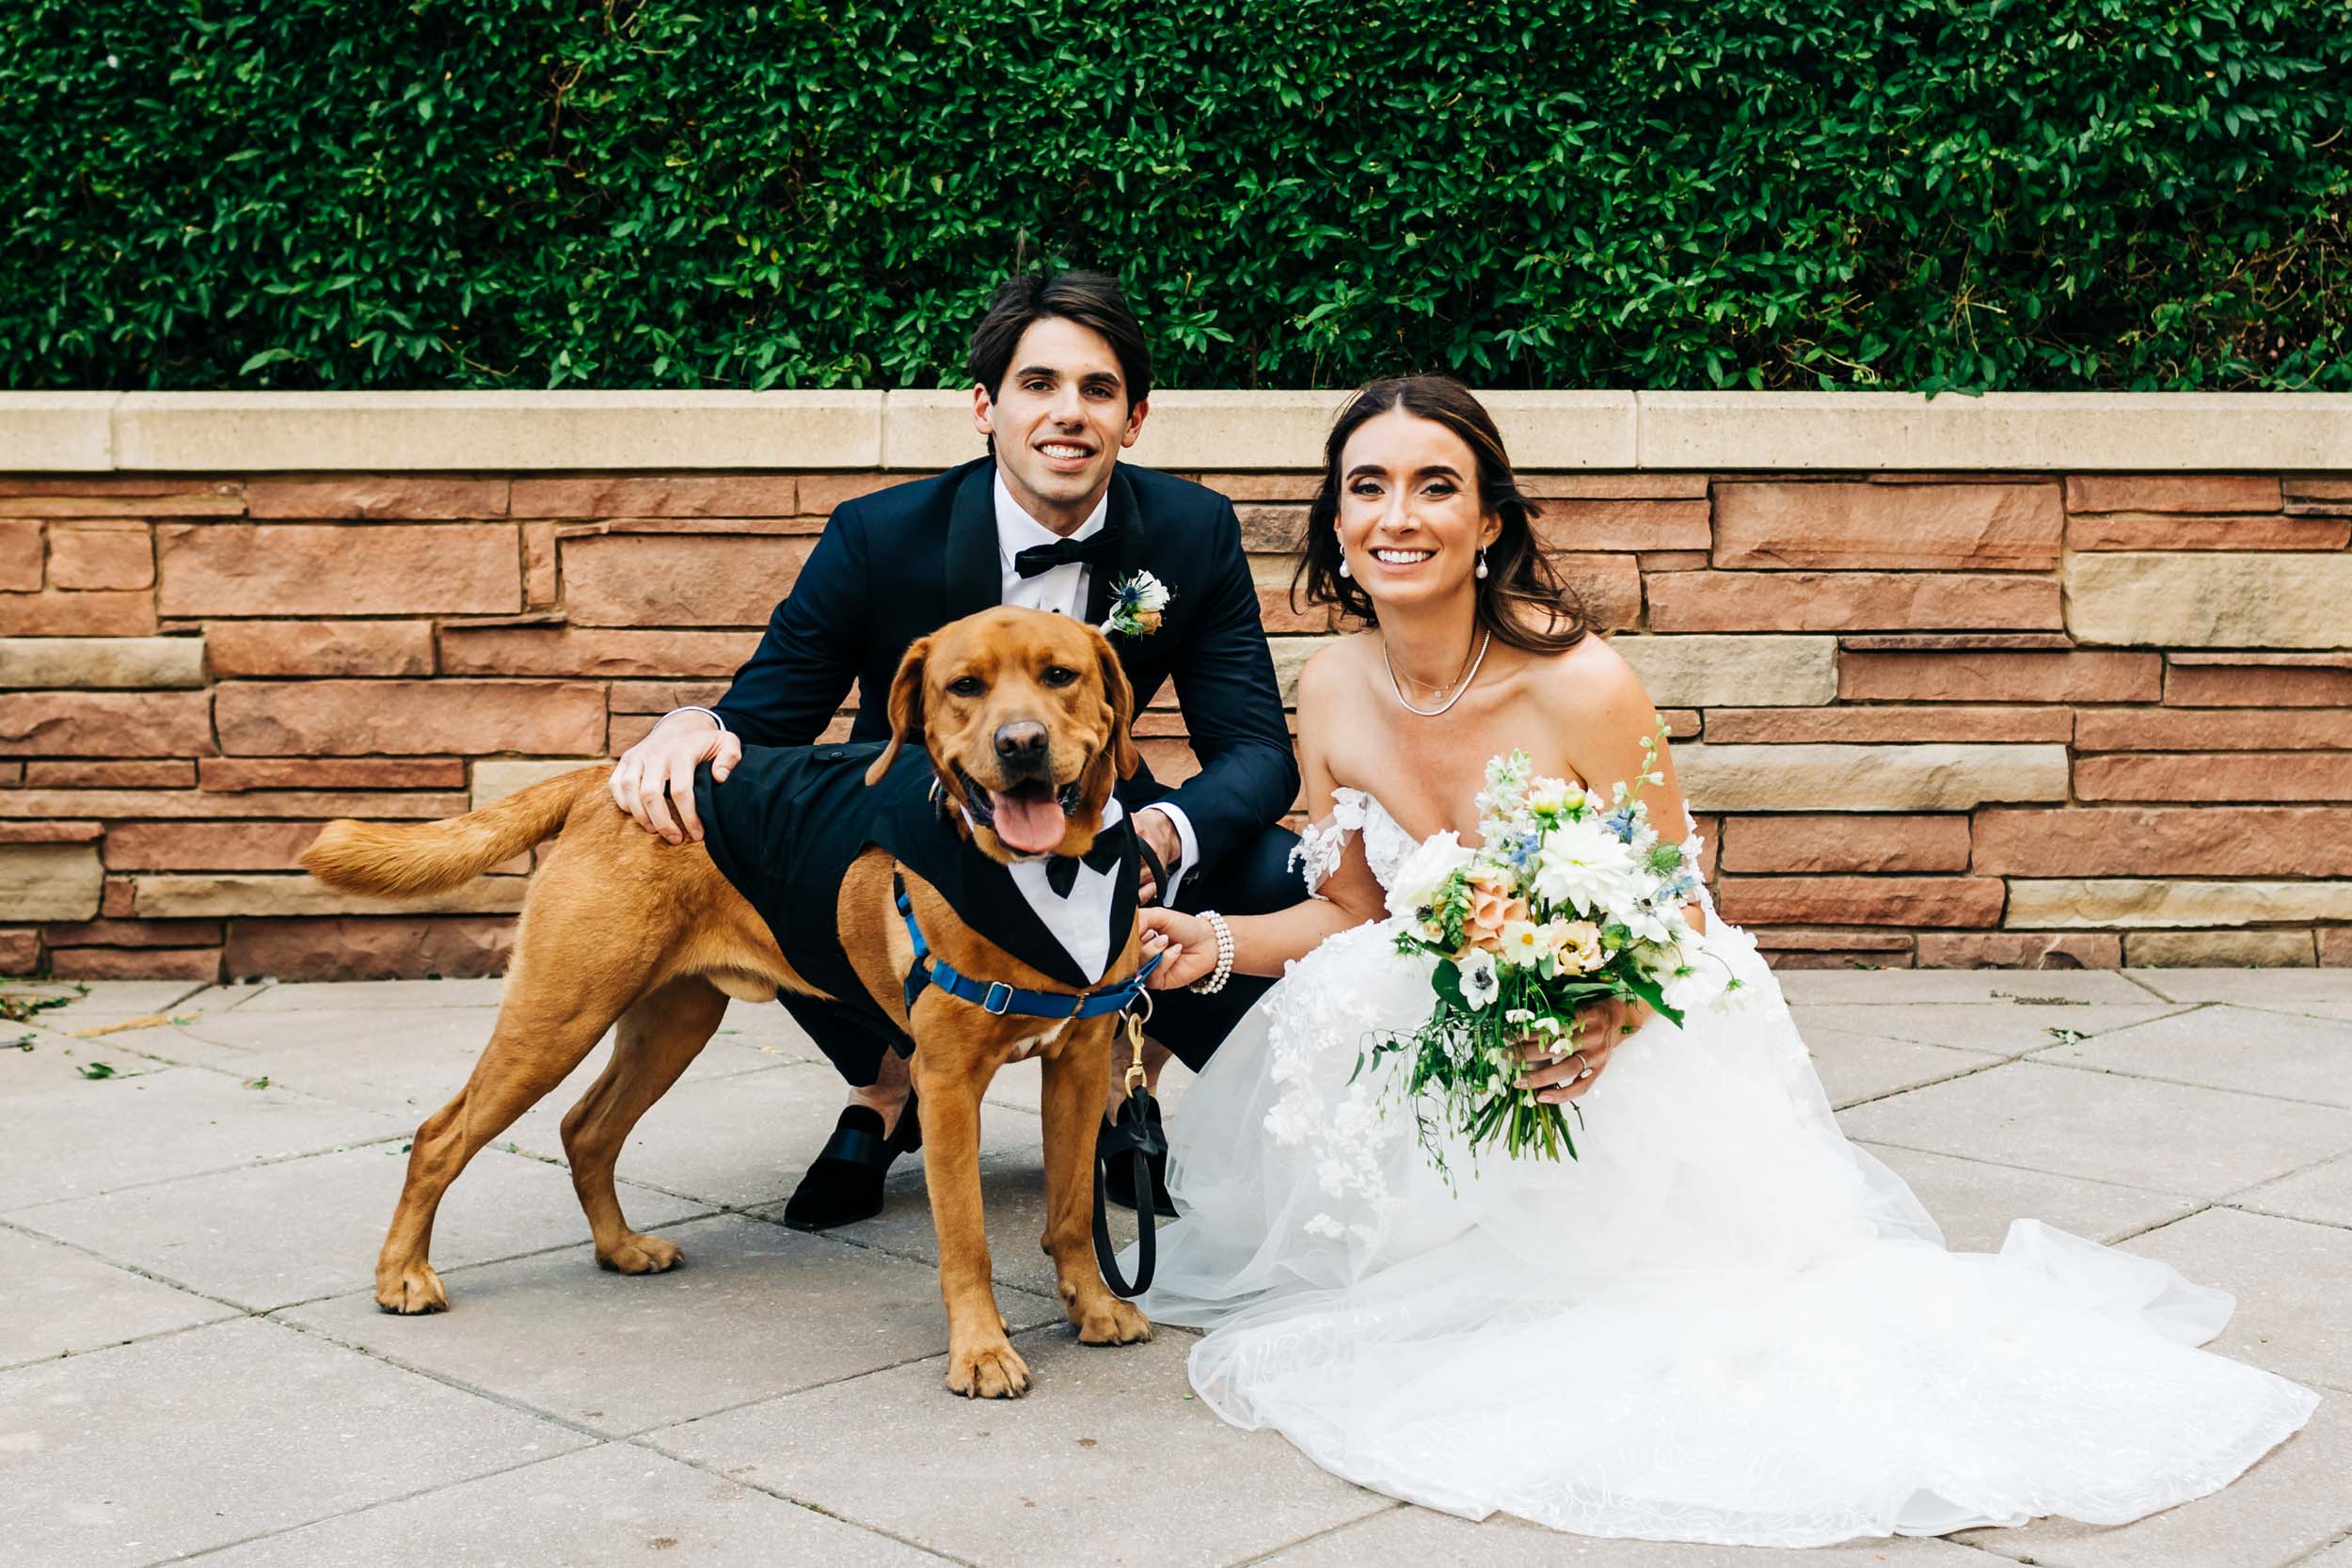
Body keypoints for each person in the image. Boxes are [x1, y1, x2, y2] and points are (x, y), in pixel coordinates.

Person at [1131, 374, 2316, 1545]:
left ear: (1489, 519)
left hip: (1622, 1027)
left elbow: (1674, 906)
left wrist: (1605, 1008)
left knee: (1669, 1328)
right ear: (1336, 523)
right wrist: (1217, 942)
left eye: (1434, 485)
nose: (1399, 515)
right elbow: (1353, 912)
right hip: (1455, 1019)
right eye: (1368, 488)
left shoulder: (1582, 682)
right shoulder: (1332, 683)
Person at [604, 270, 1300, 1229]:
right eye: (1039, 384)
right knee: (794, 846)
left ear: (1133, 419)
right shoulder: (878, 535)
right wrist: (696, 726)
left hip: (1098, 827)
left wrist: (1162, 833)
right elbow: (771, 706)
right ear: (986, 405)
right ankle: (885, 1085)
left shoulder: (1192, 531)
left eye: (1098, 390)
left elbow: (1258, 752)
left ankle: (1115, 1083)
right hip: (916, 833)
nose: (1069, 413)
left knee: (1272, 861)